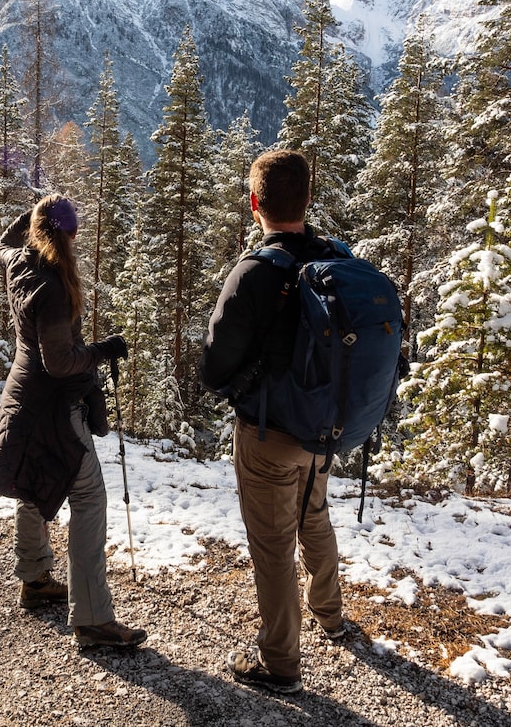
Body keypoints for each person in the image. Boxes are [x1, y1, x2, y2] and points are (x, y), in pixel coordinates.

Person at [199, 149, 347, 695]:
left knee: (273, 546)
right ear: (307, 200)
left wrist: (237, 384)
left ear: (255, 203)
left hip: (268, 436)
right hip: (324, 432)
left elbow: (214, 366)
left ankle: (280, 661)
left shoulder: (254, 272)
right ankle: (331, 616)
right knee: (315, 515)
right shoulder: (335, 259)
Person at [0, 193, 147, 650]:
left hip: (23, 398)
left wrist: (34, 217)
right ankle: (93, 619)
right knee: (90, 499)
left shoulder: (19, 262)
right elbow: (59, 361)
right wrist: (104, 351)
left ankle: (35, 578)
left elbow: (1, 242)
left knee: (36, 481)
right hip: (55, 407)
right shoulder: (53, 287)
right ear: (71, 235)